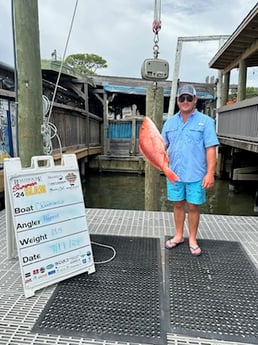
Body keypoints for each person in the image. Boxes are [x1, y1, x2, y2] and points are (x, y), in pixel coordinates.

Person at [161, 84, 219, 256]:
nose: (185, 101)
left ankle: (192, 239)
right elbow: (161, 146)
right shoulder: (169, 123)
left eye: (189, 98)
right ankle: (178, 235)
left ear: (195, 100)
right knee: (178, 204)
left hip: (196, 174)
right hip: (174, 173)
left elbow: (210, 148)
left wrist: (210, 173)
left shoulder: (207, 122)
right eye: (182, 98)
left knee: (193, 206)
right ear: (178, 101)